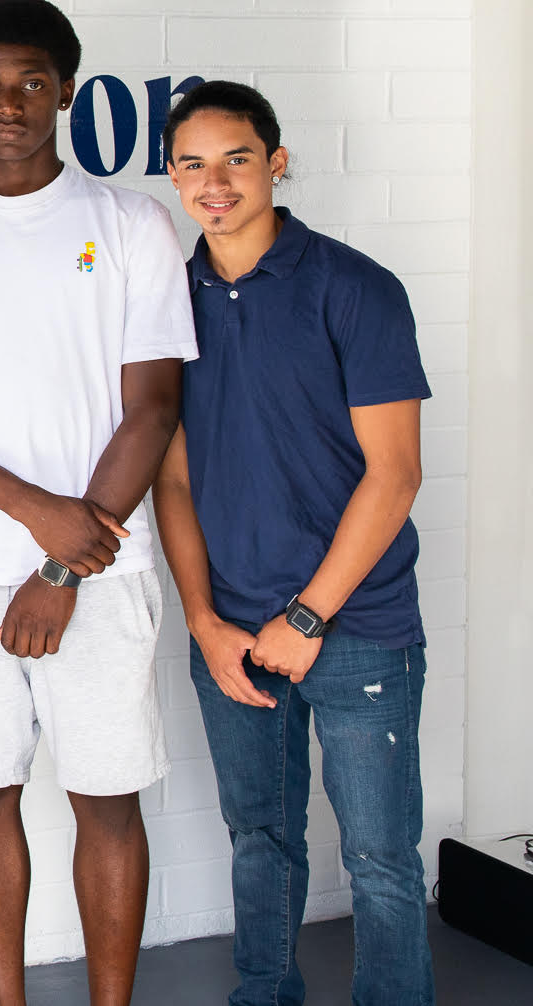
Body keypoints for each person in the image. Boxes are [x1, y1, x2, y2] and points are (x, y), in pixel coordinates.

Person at [0, 0, 194, 1006]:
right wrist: (35, 513)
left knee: (107, 800)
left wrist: (63, 559)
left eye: (30, 83)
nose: (8, 102)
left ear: (66, 90)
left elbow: (151, 409)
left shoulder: (131, 222)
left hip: (101, 567)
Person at [151, 82, 433, 1006]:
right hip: (232, 633)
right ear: (172, 175)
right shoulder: (167, 299)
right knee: (260, 843)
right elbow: (176, 477)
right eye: (192, 163)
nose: (214, 182)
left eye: (236, 158)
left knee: (380, 857)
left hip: (355, 627)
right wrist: (203, 621)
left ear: (276, 162)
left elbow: (394, 475)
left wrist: (308, 616)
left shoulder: (355, 288)